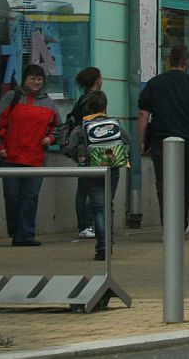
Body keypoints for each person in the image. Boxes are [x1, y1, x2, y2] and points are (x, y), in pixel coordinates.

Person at [138, 45, 189, 230]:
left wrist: (142, 141)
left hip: (161, 141)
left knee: (163, 184)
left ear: (169, 61)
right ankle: (180, 224)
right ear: (186, 62)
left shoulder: (155, 83)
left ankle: (168, 225)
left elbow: (143, 114)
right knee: (185, 183)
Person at [0, 64, 60, 246]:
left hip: (36, 159)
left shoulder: (49, 102)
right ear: (25, 79)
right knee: (13, 198)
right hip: (10, 158)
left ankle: (26, 235)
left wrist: (51, 139)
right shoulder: (11, 97)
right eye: (33, 78)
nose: (36, 82)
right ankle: (16, 232)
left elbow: (58, 128)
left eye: (39, 79)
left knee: (30, 198)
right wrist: (0, 147)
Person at [66, 91, 129, 261]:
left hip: (92, 170)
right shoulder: (114, 123)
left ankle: (102, 245)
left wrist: (80, 160)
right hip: (112, 169)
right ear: (105, 107)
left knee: (98, 208)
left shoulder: (82, 127)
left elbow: (71, 147)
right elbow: (127, 141)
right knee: (108, 205)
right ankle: (109, 240)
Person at [65, 66, 104, 239]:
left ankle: (89, 223)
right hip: (90, 149)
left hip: (84, 149)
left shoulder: (82, 99)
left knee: (86, 188)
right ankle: (86, 224)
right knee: (86, 189)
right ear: (96, 80)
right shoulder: (91, 101)